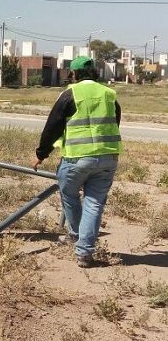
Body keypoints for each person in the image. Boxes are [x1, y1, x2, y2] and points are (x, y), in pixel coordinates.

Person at [33, 56, 121, 268]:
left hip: (77, 158)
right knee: (95, 203)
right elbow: (115, 121)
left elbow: (52, 126)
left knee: (69, 194)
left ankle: (75, 235)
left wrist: (41, 154)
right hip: (108, 158)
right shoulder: (109, 95)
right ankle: (84, 252)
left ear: (74, 74)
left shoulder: (69, 94)